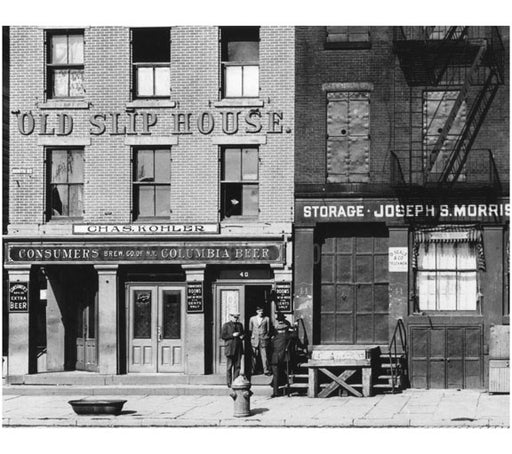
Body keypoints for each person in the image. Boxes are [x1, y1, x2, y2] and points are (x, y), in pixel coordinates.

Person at [269, 312, 294, 397]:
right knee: (285, 373)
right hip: (284, 356)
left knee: (276, 375)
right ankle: (286, 390)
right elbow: (293, 336)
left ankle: (275, 392)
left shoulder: (274, 336)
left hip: (275, 356)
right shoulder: (287, 334)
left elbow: (271, 346)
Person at [221, 312, 245, 387]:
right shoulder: (226, 325)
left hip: (238, 348)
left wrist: (242, 336)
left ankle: (235, 381)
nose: (236, 319)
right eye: (234, 317)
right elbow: (223, 336)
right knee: (229, 366)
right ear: (230, 317)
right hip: (230, 348)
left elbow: (243, 333)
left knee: (237, 366)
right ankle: (229, 382)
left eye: (237, 317)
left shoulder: (240, 325)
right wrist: (232, 335)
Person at [248, 306, 271, 375]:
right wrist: (252, 336)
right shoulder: (252, 319)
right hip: (255, 339)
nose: (261, 312)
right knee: (254, 355)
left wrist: (266, 336)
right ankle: (252, 370)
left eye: (262, 311)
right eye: (260, 311)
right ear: (257, 311)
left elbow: (268, 329)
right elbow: (250, 329)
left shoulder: (266, 319)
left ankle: (266, 370)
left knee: (264, 356)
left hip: (263, 339)